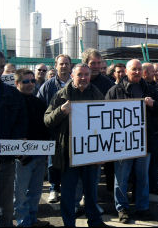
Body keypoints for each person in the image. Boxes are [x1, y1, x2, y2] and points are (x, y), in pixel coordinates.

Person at [44, 64, 109, 227]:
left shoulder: (96, 93)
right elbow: (47, 120)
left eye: (86, 75)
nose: (84, 78)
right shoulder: (61, 95)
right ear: (72, 76)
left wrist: (104, 153)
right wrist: (61, 111)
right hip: (69, 154)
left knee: (91, 193)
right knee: (68, 193)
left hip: (91, 153)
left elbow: (106, 123)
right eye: (80, 75)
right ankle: (69, 223)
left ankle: (95, 221)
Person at [105, 59, 158, 223]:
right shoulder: (114, 91)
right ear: (126, 71)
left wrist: (153, 105)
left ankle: (142, 207)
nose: (137, 72)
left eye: (139, 69)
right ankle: (122, 208)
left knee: (142, 178)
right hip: (123, 144)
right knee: (121, 178)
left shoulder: (150, 90)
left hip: (144, 143)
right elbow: (106, 117)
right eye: (133, 69)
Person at [13, 68, 50, 227]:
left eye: (32, 81)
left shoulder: (39, 102)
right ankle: (23, 222)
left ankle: (32, 219)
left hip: (40, 154)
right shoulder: (12, 102)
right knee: (20, 193)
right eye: (25, 81)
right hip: (20, 155)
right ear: (17, 83)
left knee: (35, 191)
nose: (30, 84)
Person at [79, 48, 114, 212]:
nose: (96, 66)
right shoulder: (77, 81)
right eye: (93, 63)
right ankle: (76, 201)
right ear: (85, 63)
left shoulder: (107, 83)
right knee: (77, 172)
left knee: (94, 172)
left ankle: (90, 202)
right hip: (79, 135)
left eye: (99, 63)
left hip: (99, 134)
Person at [37, 54, 72, 203]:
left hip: (72, 132)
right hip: (53, 132)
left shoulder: (76, 82)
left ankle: (69, 189)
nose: (64, 66)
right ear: (56, 65)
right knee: (53, 163)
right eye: (61, 64)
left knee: (71, 162)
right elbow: (41, 108)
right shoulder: (48, 86)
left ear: (71, 65)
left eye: (66, 64)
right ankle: (53, 189)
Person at [0, 51, 27, 227]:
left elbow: (20, 123)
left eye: (1, 67)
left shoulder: (12, 94)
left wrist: (19, 143)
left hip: (5, 161)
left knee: (5, 209)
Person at [142, 63, 158, 196]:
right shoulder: (138, 88)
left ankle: (153, 185)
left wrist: (153, 105)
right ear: (145, 73)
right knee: (143, 166)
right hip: (143, 135)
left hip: (155, 132)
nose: (156, 74)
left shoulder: (154, 88)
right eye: (153, 72)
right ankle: (142, 189)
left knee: (154, 163)